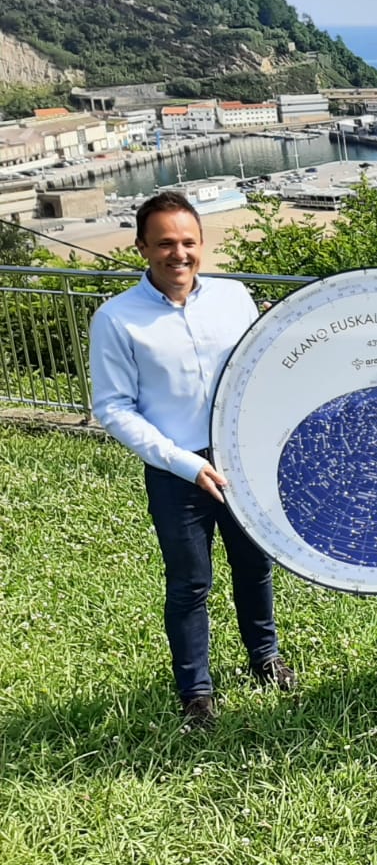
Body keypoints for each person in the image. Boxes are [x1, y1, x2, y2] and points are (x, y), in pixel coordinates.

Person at [89, 191, 295, 730]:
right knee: (190, 583)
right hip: (175, 469)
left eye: (187, 242)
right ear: (142, 248)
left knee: (256, 566)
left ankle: (266, 659)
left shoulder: (234, 297)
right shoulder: (116, 319)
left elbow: (260, 367)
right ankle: (196, 693)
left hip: (241, 459)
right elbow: (113, 408)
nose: (177, 254)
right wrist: (182, 462)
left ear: (202, 245)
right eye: (164, 244)